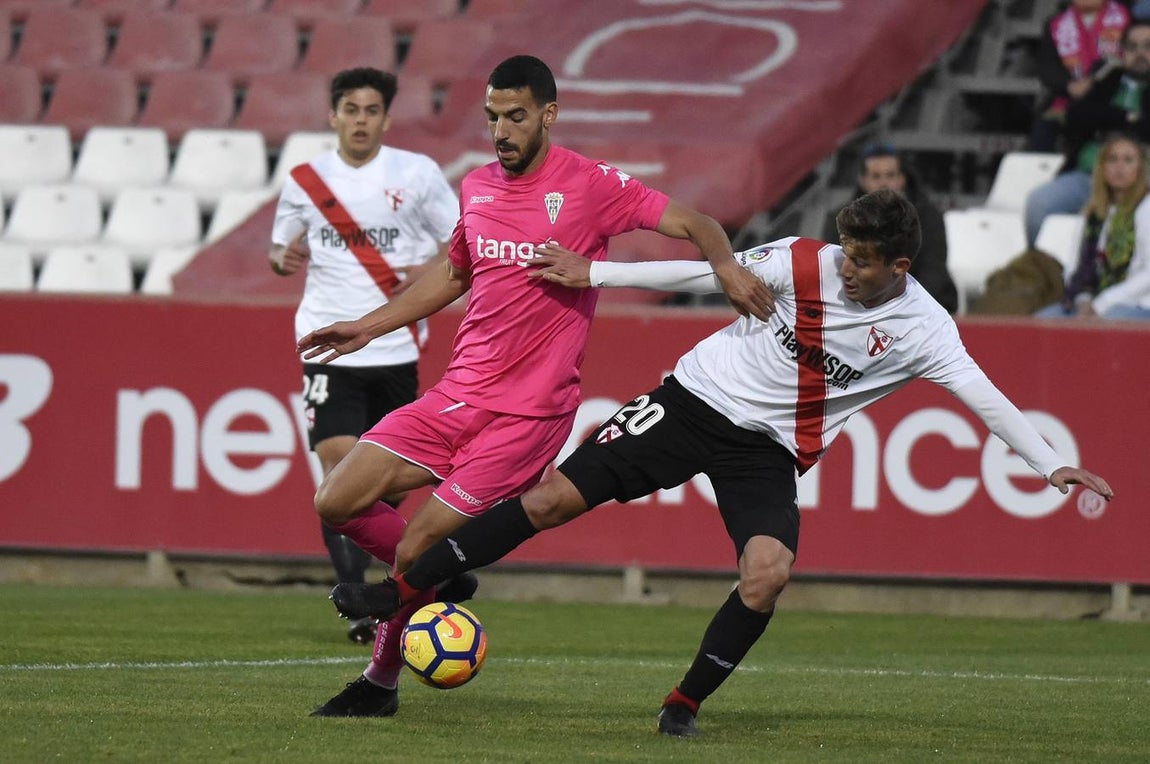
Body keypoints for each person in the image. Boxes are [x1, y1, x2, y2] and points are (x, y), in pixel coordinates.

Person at [326, 189, 1115, 738]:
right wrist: (594, 271)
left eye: (864, 261)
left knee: (767, 573)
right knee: (549, 502)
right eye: (846, 251)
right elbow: (707, 270)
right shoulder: (808, 258)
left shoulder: (926, 330)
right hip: (694, 400)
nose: (846, 266)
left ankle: (682, 705)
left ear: (900, 266)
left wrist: (1052, 465)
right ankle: (393, 591)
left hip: (766, 450)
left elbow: (983, 396)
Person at [297, 55, 773, 717]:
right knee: (335, 498)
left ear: (548, 114)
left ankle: (379, 683)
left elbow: (698, 224)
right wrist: (367, 327)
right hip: (458, 394)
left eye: (515, 116)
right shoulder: (478, 187)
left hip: (528, 414)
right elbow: (455, 272)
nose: (502, 130)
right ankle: (441, 577)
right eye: (493, 117)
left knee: (414, 543)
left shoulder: (590, 185)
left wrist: (725, 268)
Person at [268, 67, 460, 644]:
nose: (360, 120)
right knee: (340, 469)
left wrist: (419, 274)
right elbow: (279, 252)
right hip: (327, 345)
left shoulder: (417, 174)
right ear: (333, 115)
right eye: (350, 109)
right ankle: (359, 606)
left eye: (371, 110)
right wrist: (286, 259)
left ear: (386, 118)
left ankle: (408, 577)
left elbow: (462, 246)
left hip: (394, 345)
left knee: (379, 487)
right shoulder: (305, 179)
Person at [1025, 19, 1150, 247]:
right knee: (1039, 203)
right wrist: (1126, 117)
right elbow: (1076, 115)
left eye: (1147, 47)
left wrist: (1108, 120)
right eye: (1132, 47)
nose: (1140, 54)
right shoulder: (1108, 78)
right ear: (1122, 52)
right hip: (1089, 176)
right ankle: (1044, 274)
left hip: (1142, 182)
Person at [823, 143, 958, 312]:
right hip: (860, 309)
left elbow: (933, 271)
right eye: (876, 176)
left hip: (920, 307)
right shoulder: (841, 220)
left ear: (902, 178)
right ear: (863, 181)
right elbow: (832, 269)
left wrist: (900, 308)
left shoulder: (928, 217)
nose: (884, 183)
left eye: (890, 175)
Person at [1036, 132, 1150, 318]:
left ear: (1140, 168)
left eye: (1128, 160)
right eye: (1112, 160)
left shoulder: (1147, 208)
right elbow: (1075, 267)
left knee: (1112, 319)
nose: (1119, 167)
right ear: (1102, 167)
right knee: (1045, 319)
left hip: (1138, 303)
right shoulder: (1092, 213)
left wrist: (1102, 304)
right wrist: (1084, 300)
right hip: (1091, 301)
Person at [1030, 0, 1129, 153]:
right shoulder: (1055, 24)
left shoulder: (1127, 16)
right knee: (1046, 124)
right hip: (1071, 96)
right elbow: (1047, 67)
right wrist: (1069, 85)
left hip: (1118, 93)